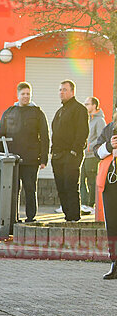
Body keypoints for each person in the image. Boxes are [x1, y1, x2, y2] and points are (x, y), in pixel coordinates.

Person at [0, 82, 50, 223]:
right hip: (12, 159)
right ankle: (13, 217)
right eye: (23, 94)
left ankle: (31, 217)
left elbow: (45, 136)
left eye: (28, 94)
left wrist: (43, 158)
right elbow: (1, 135)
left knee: (30, 189)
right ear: (18, 95)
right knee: (13, 190)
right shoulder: (9, 112)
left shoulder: (37, 113)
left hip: (31, 159)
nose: (25, 96)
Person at [50, 79, 89, 222]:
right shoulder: (60, 111)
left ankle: (74, 218)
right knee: (61, 188)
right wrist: (52, 153)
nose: (61, 92)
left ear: (72, 92)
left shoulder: (79, 109)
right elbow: (55, 133)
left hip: (71, 155)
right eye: (60, 89)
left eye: (64, 89)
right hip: (58, 156)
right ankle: (68, 217)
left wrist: (74, 152)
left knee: (70, 186)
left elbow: (82, 132)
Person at [92, 113, 117, 278]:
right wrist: (109, 146)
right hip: (111, 182)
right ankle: (115, 262)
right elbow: (96, 151)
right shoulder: (109, 128)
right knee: (113, 224)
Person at [81, 96, 106, 214]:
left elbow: (101, 137)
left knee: (91, 180)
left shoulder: (99, 120)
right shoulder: (88, 119)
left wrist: (90, 146)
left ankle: (91, 205)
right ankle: (84, 204)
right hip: (85, 155)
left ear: (94, 106)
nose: (85, 106)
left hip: (92, 156)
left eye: (87, 104)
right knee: (82, 180)